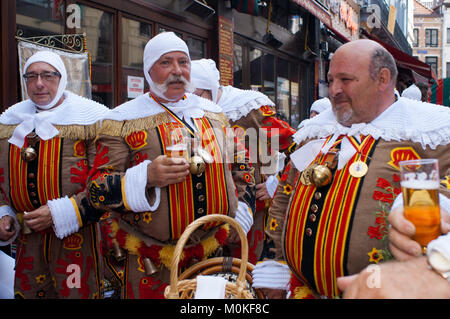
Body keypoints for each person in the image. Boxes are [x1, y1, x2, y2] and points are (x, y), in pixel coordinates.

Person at [252, 39, 450, 299]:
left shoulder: (429, 135)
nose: (333, 90)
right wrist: (274, 266)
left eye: (345, 80)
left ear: (382, 79)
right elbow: (284, 195)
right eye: (331, 79)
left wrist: (430, 205)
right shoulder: (315, 133)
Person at [83, 32, 255, 299]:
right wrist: (146, 177)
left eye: (183, 62)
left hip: (212, 255)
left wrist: (240, 210)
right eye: (166, 63)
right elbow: (97, 190)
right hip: (151, 262)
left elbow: (242, 165)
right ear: (148, 70)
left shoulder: (214, 114)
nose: (177, 71)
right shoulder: (122, 120)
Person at [0, 50, 108, 298]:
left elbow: (106, 180)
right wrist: (4, 214)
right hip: (28, 242)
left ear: (62, 80)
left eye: (48, 75)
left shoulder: (92, 120)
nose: (39, 83)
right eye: (31, 76)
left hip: (78, 239)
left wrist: (62, 212)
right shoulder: (9, 122)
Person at [190, 58, 296, 263]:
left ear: (210, 89)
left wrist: (278, 183)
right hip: (211, 214)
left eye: (197, 95)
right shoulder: (191, 114)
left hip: (253, 211)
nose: (193, 101)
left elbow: (298, 146)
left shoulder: (248, 110)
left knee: (248, 276)